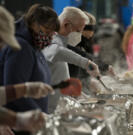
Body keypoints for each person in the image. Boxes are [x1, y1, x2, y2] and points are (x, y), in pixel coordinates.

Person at [0, 4, 60, 135]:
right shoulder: (21, 47)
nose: (49, 36)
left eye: (52, 33)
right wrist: (16, 120)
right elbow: (12, 85)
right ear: (34, 23)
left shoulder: (34, 47)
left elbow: (6, 92)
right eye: (47, 30)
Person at [42, 7, 100, 113]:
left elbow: (58, 74)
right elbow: (56, 52)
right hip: (48, 110)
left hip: (59, 107)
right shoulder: (51, 40)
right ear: (66, 25)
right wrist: (86, 63)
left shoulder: (61, 43)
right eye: (78, 31)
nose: (79, 36)